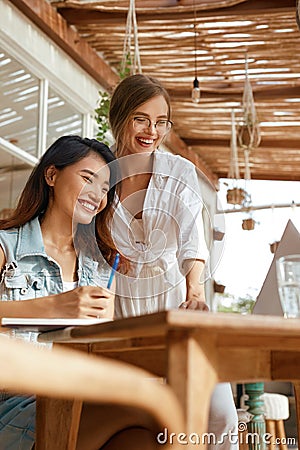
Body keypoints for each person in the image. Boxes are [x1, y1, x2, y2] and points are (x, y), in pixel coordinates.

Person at [0, 135, 160, 450]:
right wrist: (53, 306)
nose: (97, 195)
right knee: (144, 416)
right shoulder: (6, 247)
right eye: (88, 178)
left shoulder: (99, 269)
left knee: (148, 432)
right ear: (51, 175)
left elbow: (99, 354)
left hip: (70, 394)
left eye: (104, 189)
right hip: (11, 400)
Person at [108, 74, 239, 449]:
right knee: (146, 418)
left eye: (161, 121)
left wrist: (195, 289)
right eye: (140, 118)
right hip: (121, 306)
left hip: (175, 298)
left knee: (219, 414)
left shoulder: (178, 170)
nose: (152, 130)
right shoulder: (99, 168)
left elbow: (191, 237)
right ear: (120, 117)